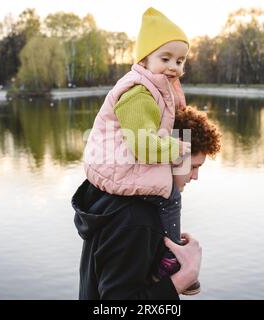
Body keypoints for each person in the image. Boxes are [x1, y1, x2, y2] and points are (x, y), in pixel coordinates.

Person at [82, 7, 198, 294]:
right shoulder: (135, 221)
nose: (174, 66)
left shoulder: (153, 89)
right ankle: (171, 259)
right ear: (144, 59)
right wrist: (179, 282)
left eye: (180, 61)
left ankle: (169, 255)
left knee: (169, 198)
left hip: (121, 166)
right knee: (171, 199)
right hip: (120, 163)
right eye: (166, 58)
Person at [73, 106, 221, 299]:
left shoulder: (116, 196)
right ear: (169, 154)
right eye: (193, 167)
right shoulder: (136, 218)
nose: (196, 176)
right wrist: (185, 276)